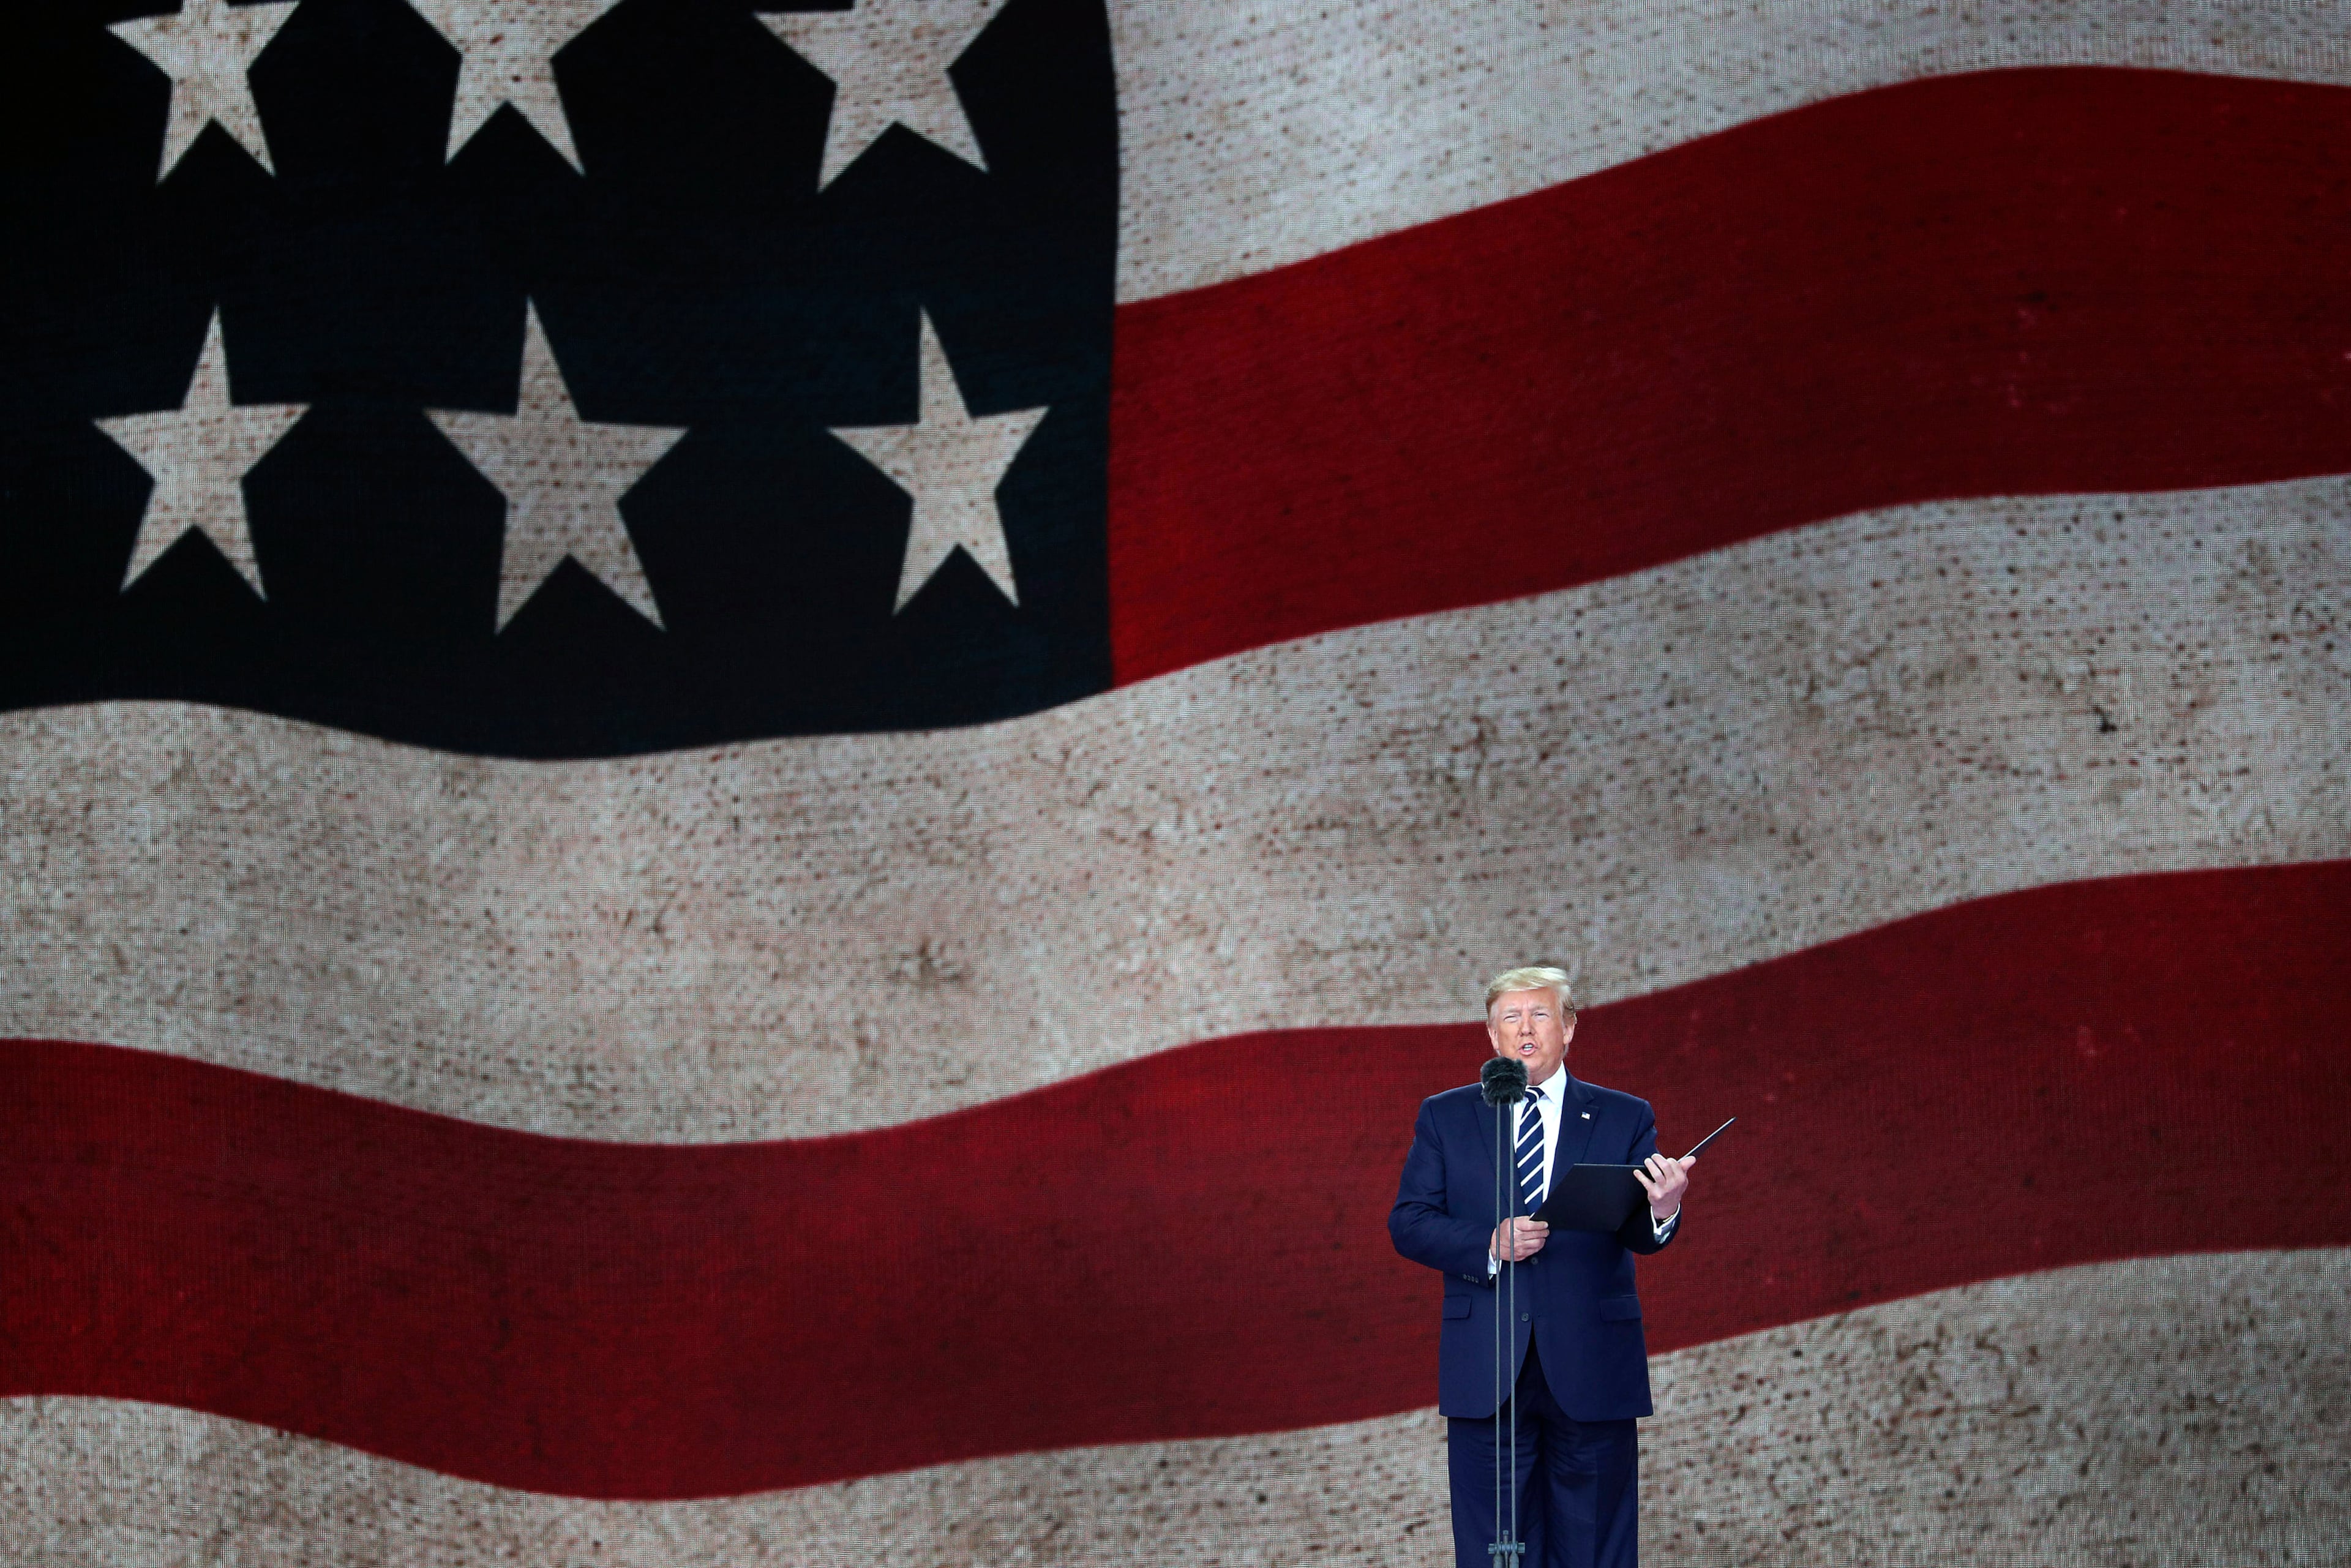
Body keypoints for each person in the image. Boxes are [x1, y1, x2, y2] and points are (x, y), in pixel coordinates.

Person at [1389, 965, 1695, 1568]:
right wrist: (1489, 1242)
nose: (1526, 1029)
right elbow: (1409, 1220)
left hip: (1593, 1361)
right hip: (1487, 1365)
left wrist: (1665, 1205)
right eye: (1511, 1016)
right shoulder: (1446, 1116)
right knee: (1499, 1550)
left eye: (1540, 1014)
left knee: (1597, 1544)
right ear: (1491, 1032)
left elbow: (1640, 1230)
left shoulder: (1624, 1115)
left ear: (1570, 1026)